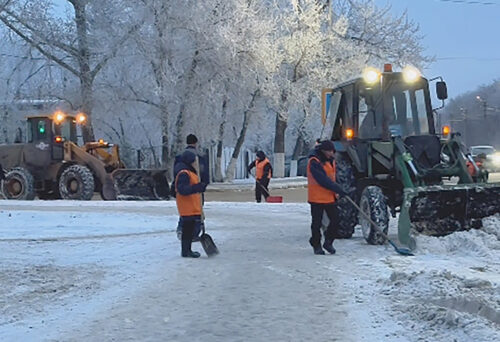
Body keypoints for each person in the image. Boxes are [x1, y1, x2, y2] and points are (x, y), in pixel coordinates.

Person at [307, 140, 346, 255]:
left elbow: (332, 177)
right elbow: (322, 179)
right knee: (317, 224)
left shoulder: (331, 161)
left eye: (332, 151)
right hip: (317, 198)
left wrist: (339, 190)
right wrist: (337, 188)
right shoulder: (314, 161)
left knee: (336, 220)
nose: (332, 154)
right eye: (329, 151)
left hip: (330, 197)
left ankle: (328, 242)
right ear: (323, 151)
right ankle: (316, 244)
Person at [173, 134, 209, 241]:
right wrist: (203, 185)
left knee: (186, 210)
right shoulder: (199, 156)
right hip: (195, 185)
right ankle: (194, 232)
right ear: (196, 143)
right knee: (197, 209)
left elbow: (176, 172)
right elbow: (204, 173)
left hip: (182, 185)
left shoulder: (179, 155)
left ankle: (181, 228)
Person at [174, 150, 208, 258]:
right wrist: (197, 187)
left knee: (189, 229)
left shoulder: (189, 172)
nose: (195, 164)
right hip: (187, 206)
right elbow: (182, 190)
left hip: (191, 206)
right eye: (194, 161)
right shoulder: (184, 173)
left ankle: (187, 250)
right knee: (187, 230)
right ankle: (186, 251)